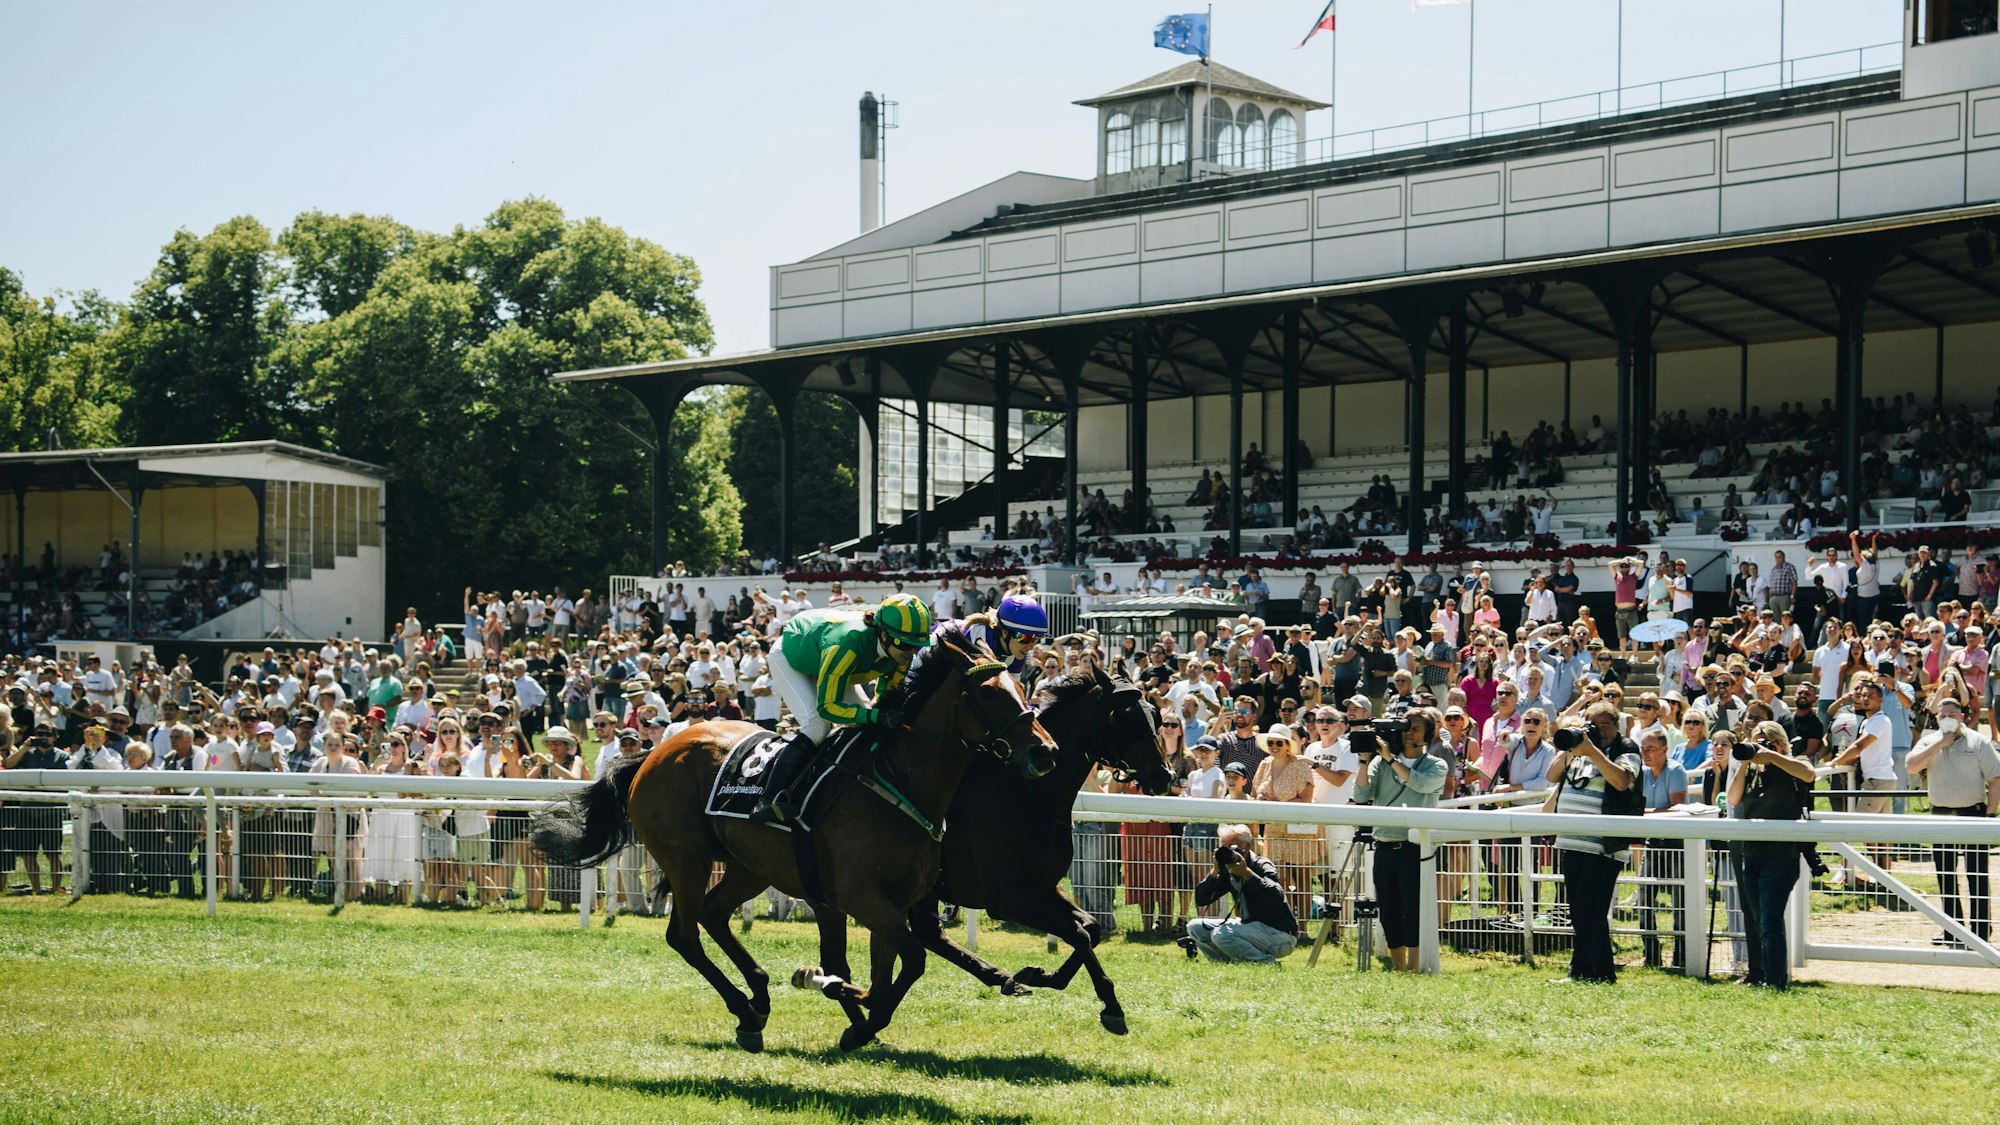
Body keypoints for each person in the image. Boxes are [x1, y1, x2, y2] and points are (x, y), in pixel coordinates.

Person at [751, 593, 934, 825]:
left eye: (916, 646)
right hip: (792, 655)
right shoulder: (847, 645)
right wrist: (875, 715)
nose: (910, 653)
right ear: (885, 635)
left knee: (866, 717)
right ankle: (768, 796)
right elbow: (828, 708)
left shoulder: (899, 650)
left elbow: (885, 697)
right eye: (905, 645)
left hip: (826, 653)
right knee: (818, 724)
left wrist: (880, 714)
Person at [1549, 705, 1641, 983]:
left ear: (1616, 727)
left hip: (1604, 846)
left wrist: (1593, 752)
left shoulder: (1626, 749)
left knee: (1589, 909)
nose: (1598, 731)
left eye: (1604, 726)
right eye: (1593, 725)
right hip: (1571, 841)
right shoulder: (1578, 751)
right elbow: (1551, 776)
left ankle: (1581, 971)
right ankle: (1603, 973)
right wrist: (1571, 747)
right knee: (1581, 910)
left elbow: (1622, 781)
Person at [1352, 708, 1448, 972]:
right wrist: (1363, 760)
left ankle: (1415, 967)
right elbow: (1360, 795)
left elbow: (1420, 784)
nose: (1408, 733)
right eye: (1406, 727)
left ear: (1428, 735)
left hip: (1416, 846)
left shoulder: (1436, 765)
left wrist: (1391, 759)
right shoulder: (1379, 762)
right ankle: (1398, 967)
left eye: (1416, 728)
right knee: (1388, 907)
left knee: (1413, 909)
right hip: (1384, 844)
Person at [1726, 720, 1819, 989]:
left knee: (1770, 920)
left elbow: (1808, 774)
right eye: (1757, 740)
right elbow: (1733, 799)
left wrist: (1773, 756)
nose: (1761, 746)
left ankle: (1776, 981)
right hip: (1752, 853)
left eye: (1766, 740)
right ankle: (1769, 976)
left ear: (1780, 743)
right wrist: (1745, 760)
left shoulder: (1792, 763)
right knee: (1759, 921)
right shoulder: (1754, 771)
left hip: (1781, 855)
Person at [1906, 697, 2000, 945]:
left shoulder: (1978, 741)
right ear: (1937, 718)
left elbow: (1996, 778)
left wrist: (1990, 815)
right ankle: (1953, 931)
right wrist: (1939, 744)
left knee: (1976, 874)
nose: (1947, 718)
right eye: (1942, 714)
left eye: (1952, 714)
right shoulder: (1929, 741)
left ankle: (1980, 933)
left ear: (1962, 716)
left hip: (1973, 815)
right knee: (1946, 875)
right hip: (1941, 816)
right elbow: (1911, 767)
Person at [1182, 824, 1299, 963]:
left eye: (1232, 847)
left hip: (1279, 934)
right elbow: (1201, 899)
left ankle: (1265, 963)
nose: (1228, 852)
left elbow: (1277, 895)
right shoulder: (1228, 869)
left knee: (1221, 935)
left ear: (1247, 847)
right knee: (1195, 927)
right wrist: (1214, 872)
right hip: (1248, 927)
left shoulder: (1262, 865)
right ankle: (1224, 963)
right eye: (1223, 848)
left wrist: (1248, 874)